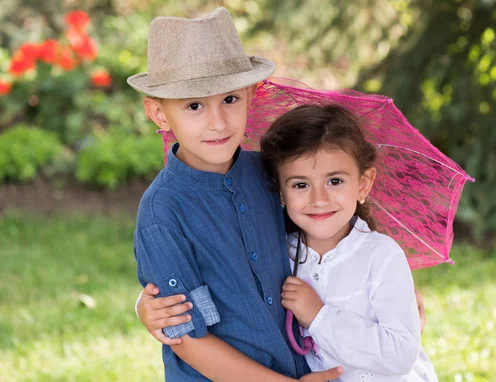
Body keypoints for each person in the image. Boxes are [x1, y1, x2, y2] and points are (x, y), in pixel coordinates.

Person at [128, 8, 343, 381]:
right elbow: (187, 340)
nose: (218, 122)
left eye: (229, 99)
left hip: (296, 363)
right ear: (159, 114)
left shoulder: (270, 172)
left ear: (250, 94)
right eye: (194, 105)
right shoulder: (163, 212)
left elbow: (329, 236)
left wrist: (386, 292)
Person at [259, 104, 438, 381]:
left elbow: (401, 355)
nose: (319, 199)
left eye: (335, 181)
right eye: (300, 185)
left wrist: (319, 317)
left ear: (363, 184)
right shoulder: (278, 253)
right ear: (280, 191)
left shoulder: (381, 256)